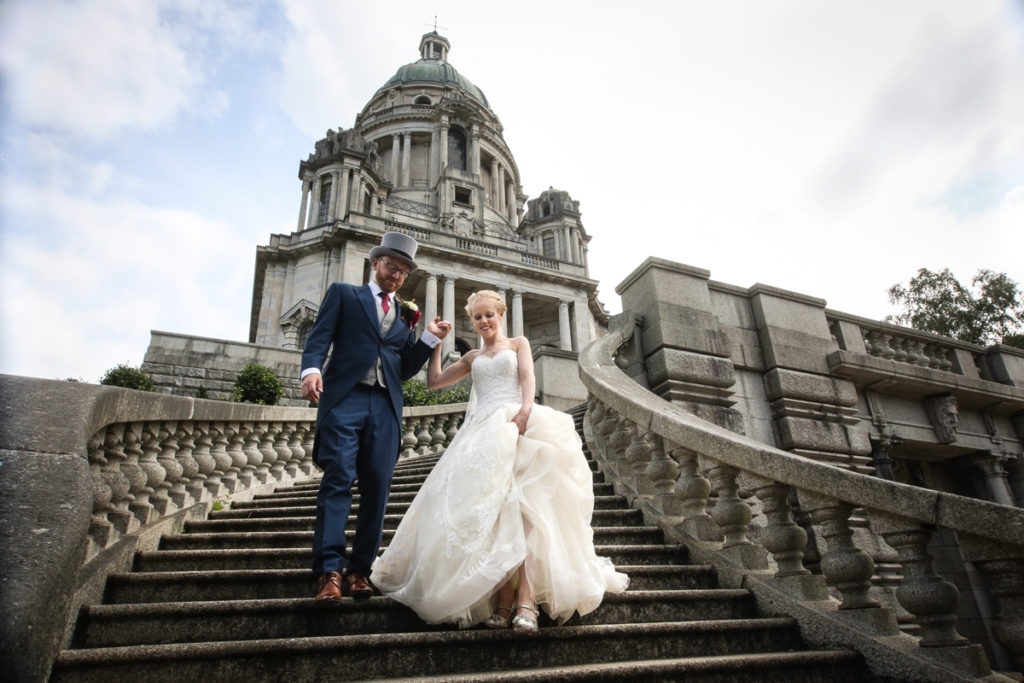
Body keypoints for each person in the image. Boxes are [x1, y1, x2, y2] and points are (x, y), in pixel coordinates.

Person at [372, 290, 628, 631]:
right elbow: (434, 383)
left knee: (526, 508)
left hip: (516, 423)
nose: (483, 321)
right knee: (492, 513)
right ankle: (504, 599)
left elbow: (527, 378)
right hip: (480, 433)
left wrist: (525, 410)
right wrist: (435, 344)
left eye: (488, 315)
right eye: (477, 317)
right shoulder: (472, 357)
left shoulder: (518, 343)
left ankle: (526, 598)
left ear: (500, 314)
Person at [301, 231, 451, 603]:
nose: (396, 275)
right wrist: (311, 370)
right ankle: (328, 573)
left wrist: (429, 339)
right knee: (337, 479)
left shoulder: (405, 315)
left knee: (379, 489)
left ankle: (359, 572)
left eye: (403, 271)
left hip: (385, 406)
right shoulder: (344, 294)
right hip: (345, 398)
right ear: (375, 264)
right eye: (391, 266)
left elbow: (401, 369)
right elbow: (319, 338)